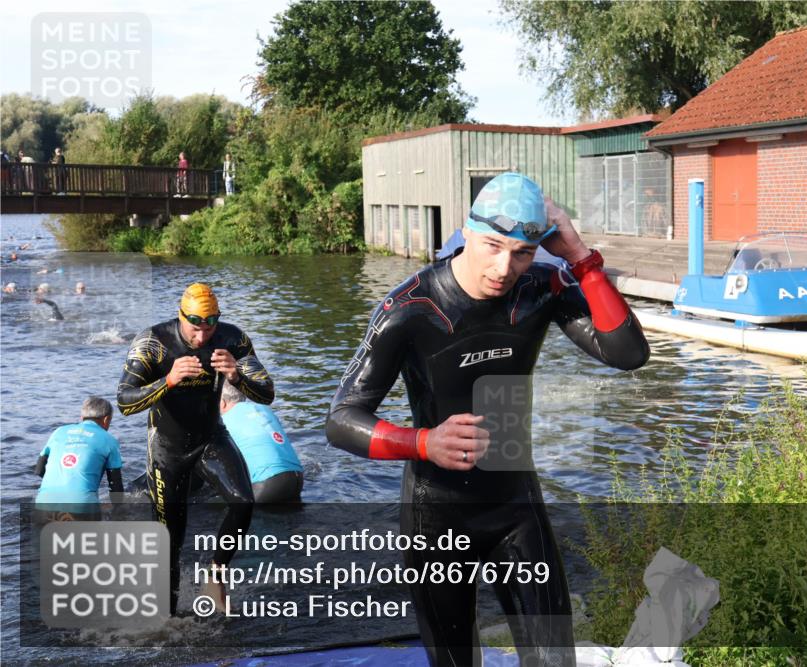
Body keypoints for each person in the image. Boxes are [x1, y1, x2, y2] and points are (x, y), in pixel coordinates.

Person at [326, 172, 650, 666]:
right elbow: (342, 418)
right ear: (467, 231)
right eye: (493, 245)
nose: (504, 267)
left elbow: (628, 353)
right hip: (436, 514)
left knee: (554, 661)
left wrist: (582, 259)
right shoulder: (409, 308)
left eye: (523, 252)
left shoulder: (538, 290)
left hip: (515, 504)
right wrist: (423, 442)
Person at [117, 282, 274, 615]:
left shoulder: (233, 339)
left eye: (208, 328)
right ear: (181, 317)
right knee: (171, 541)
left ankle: (215, 572)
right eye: (195, 329)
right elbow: (124, 402)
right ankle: (167, 620)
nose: (202, 338)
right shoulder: (153, 343)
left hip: (210, 438)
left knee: (244, 503)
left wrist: (237, 377)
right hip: (166, 449)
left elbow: (266, 393)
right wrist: (168, 380)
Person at [34, 396, 124, 522]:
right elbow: (116, 486)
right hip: (82, 509)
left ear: (81, 417)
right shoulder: (109, 440)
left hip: (43, 507)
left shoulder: (58, 432)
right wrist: (119, 510)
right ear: (106, 419)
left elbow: (39, 470)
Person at [219, 381, 304, 502]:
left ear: (222, 403)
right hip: (297, 478)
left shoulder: (224, 421)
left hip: (267, 483)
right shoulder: (264, 409)